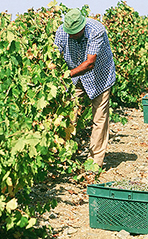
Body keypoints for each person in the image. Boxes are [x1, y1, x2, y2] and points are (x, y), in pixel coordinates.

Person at [54, 8, 116, 168]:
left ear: (82, 27)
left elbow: (89, 63)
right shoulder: (61, 32)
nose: (71, 35)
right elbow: (54, 56)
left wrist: (67, 74)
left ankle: (94, 163)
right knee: (69, 114)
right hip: (74, 76)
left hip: (99, 75)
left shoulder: (96, 29)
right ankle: (65, 157)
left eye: (75, 32)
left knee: (99, 119)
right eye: (70, 32)